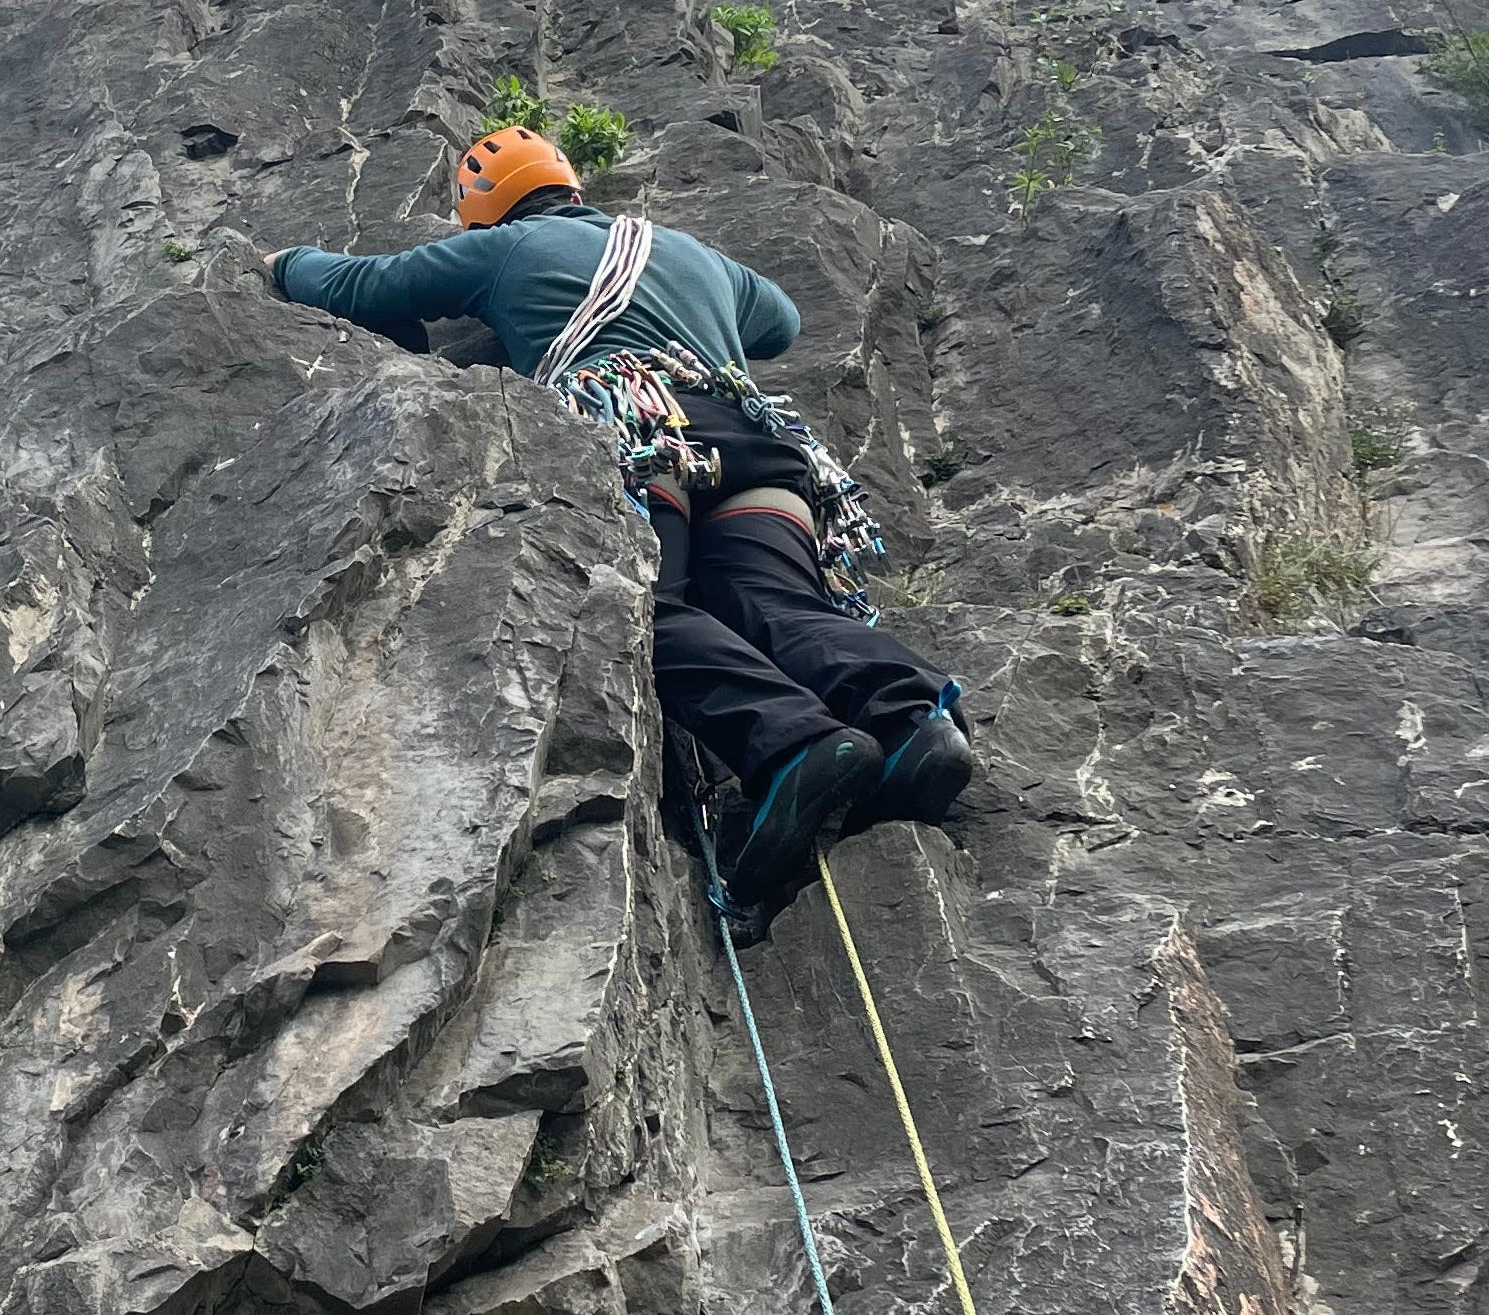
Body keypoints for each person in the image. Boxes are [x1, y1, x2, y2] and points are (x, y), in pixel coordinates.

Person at [270, 123, 972, 934]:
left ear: (483, 209)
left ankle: (797, 743)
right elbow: (777, 322)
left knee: (647, 611)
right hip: (760, 447)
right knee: (778, 603)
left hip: (639, 427)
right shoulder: (685, 249)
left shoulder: (505, 250)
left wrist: (284, 264)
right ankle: (915, 720)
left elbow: (359, 287)